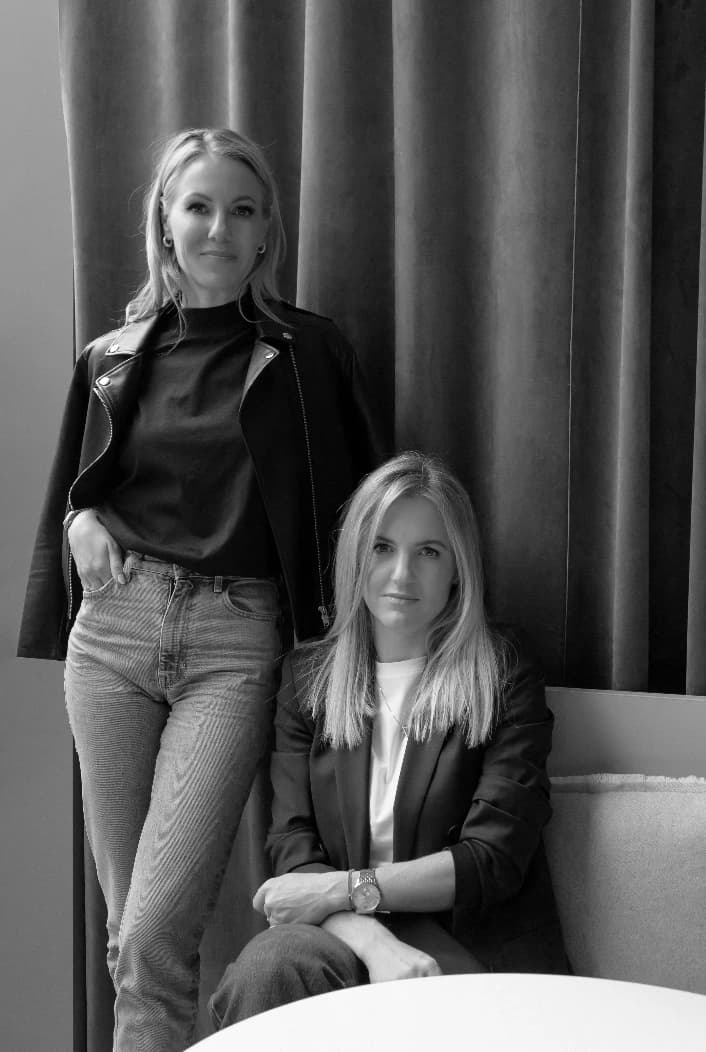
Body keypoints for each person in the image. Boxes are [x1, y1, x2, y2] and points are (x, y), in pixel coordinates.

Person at [17, 127, 380, 1051]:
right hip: (112, 641)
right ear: (164, 223)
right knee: (132, 940)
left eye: (243, 209)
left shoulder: (309, 356)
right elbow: (76, 488)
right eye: (199, 206)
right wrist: (77, 521)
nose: (219, 227)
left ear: (267, 235)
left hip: (234, 643)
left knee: (150, 936)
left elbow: (361, 505)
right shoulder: (109, 356)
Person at [209, 451, 570, 1028]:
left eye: (428, 551)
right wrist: (374, 941)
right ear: (356, 555)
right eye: (382, 547)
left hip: (471, 952)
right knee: (269, 968)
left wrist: (347, 890)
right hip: (347, 945)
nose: (402, 575)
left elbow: (491, 860)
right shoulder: (308, 679)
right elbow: (294, 852)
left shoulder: (503, 671)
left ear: (458, 569)